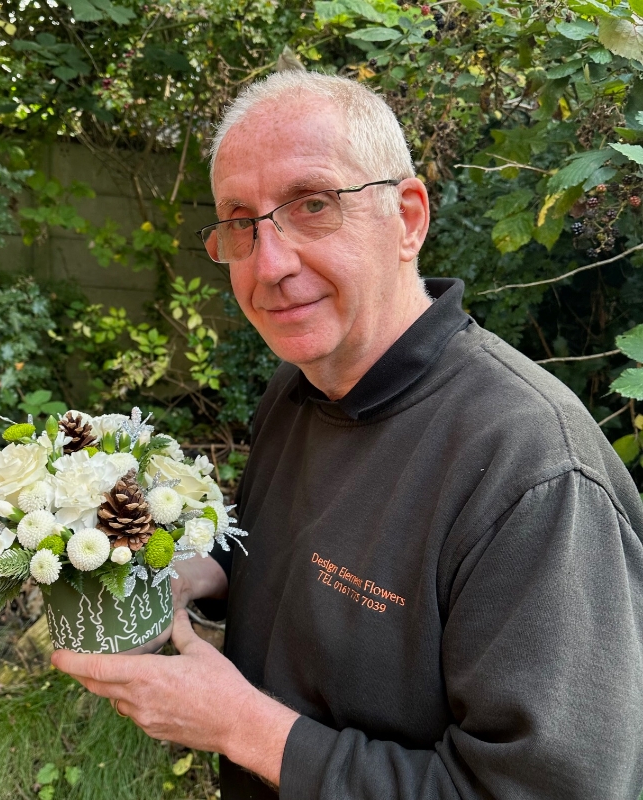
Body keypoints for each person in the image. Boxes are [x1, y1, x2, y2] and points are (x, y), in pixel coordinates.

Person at [51, 71, 643, 799]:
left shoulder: (532, 470)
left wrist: (243, 729)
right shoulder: (297, 387)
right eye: (241, 221)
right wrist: (207, 576)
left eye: (312, 205)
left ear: (409, 218)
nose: (270, 265)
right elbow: (315, 564)